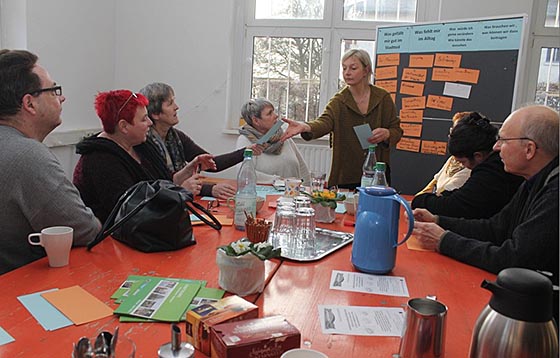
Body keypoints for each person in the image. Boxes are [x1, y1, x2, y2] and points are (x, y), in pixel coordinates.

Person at [412, 104, 559, 290]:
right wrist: (439, 220)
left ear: (529, 149)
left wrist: (444, 241)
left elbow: (513, 258)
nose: (496, 147)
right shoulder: (532, 181)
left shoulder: (554, 194)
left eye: (503, 140)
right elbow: (495, 228)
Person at [0, 49, 101, 275]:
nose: (61, 97)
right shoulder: (28, 156)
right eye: (54, 90)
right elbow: (84, 230)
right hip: (22, 295)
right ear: (30, 103)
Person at [73, 89, 215, 223]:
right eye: (143, 119)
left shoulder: (141, 145)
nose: (150, 123)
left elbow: (167, 181)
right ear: (124, 126)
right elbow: (129, 213)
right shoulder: (100, 161)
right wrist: (181, 194)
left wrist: (189, 169)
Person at [280, 48, 403, 189]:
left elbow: (396, 130)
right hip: (345, 173)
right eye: (344, 68)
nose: (347, 73)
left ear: (366, 70)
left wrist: (387, 134)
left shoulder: (383, 98)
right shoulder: (339, 101)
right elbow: (324, 122)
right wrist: (305, 126)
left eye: (353, 68)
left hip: (377, 174)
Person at [139, 82, 260, 199]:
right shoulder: (144, 142)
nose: (176, 107)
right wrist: (209, 189)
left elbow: (210, 164)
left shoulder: (176, 137)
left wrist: (246, 151)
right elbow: (165, 183)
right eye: (170, 103)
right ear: (155, 113)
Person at [412, 112, 523, 219]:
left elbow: (456, 206)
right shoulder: (493, 164)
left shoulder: (492, 172)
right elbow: (463, 195)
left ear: (478, 156)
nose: (498, 147)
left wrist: (420, 201)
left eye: (462, 162)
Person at [236, 98, 311, 185]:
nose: (275, 116)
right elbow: (245, 173)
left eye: (273, 112)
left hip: (293, 193)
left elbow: (302, 169)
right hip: (263, 194)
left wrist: (307, 190)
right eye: (269, 113)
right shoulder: (245, 140)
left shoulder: (283, 135)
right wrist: (278, 181)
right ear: (256, 121)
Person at [415, 112, 472, 196]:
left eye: (456, 132)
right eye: (452, 130)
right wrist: (416, 198)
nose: (451, 135)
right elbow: (434, 182)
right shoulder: (452, 159)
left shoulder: (471, 166)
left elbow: (445, 193)